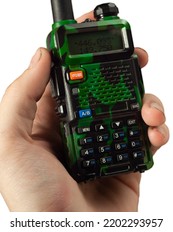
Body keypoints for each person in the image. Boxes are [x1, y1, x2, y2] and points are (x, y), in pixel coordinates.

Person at [0, 11, 169, 212]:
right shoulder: (66, 64)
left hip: (125, 118)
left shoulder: (127, 60)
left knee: (145, 116)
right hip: (84, 126)